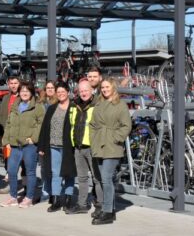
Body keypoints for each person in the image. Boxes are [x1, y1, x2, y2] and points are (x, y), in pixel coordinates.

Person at [90, 78, 131, 225]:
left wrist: (115, 137)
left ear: (113, 87)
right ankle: (110, 209)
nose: (104, 89)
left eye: (107, 87)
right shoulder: (99, 104)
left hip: (112, 146)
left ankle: (107, 211)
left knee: (106, 178)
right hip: (99, 144)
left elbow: (126, 126)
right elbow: (93, 124)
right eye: (102, 87)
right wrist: (93, 139)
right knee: (102, 179)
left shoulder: (120, 105)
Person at [0, 81, 44, 209]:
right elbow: (9, 124)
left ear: (31, 93)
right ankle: (13, 197)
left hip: (29, 145)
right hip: (15, 145)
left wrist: (34, 138)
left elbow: (41, 124)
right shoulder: (15, 105)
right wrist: (6, 140)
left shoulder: (38, 107)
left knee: (30, 172)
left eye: (27, 91)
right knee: (12, 171)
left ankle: (28, 198)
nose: (24, 93)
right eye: (22, 90)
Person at [38, 82, 77, 213]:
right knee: (55, 173)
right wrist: (42, 146)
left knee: (69, 174)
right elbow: (44, 128)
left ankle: (68, 200)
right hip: (53, 146)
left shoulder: (74, 108)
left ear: (68, 92)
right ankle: (55, 200)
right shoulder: (52, 108)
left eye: (62, 91)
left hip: (68, 147)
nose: (60, 94)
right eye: (58, 92)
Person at [68, 80, 103, 214]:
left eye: (86, 90)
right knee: (82, 178)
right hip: (78, 147)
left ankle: (100, 205)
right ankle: (82, 204)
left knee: (97, 178)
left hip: (92, 147)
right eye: (81, 91)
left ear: (91, 90)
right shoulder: (74, 104)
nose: (83, 93)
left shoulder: (97, 105)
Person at [0, 76, 20, 195]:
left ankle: (25, 186)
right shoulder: (6, 97)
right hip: (7, 134)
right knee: (8, 160)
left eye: (16, 83)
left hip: (20, 134)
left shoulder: (23, 97)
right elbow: (1, 115)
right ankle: (11, 184)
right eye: (11, 83)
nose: (14, 85)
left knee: (23, 162)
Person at [37, 79, 58, 202]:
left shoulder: (58, 103)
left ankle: (54, 192)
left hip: (53, 139)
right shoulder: (40, 103)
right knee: (44, 168)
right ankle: (45, 191)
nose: (49, 90)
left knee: (54, 168)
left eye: (52, 88)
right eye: (47, 88)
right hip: (42, 139)